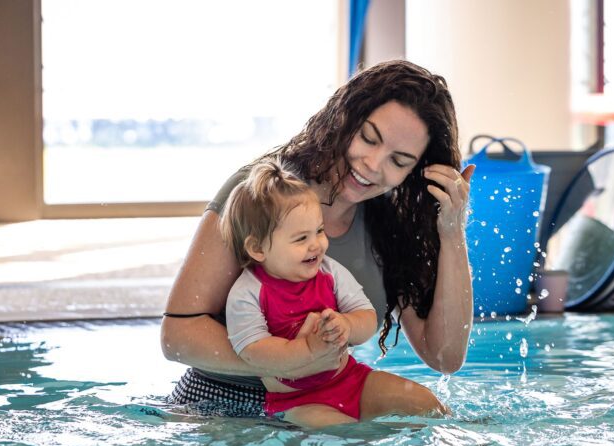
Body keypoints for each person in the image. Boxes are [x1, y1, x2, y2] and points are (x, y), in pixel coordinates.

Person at [162, 59, 474, 418]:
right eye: (368, 138)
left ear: (415, 173)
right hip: (220, 399)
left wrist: (451, 230)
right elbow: (176, 336)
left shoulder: (392, 226)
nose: (373, 164)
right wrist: (295, 361)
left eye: (398, 161)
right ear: (344, 118)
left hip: (327, 391)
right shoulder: (261, 194)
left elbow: (445, 357)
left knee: (432, 413)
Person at [220, 158, 448, 427]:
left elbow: (366, 317)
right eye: (301, 239)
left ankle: (466, 432)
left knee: (425, 402)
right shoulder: (248, 293)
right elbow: (253, 352)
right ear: (257, 248)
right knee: (344, 433)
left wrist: (347, 325)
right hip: (300, 401)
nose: (316, 245)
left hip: (351, 380)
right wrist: (307, 349)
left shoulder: (329, 271)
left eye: (318, 231)